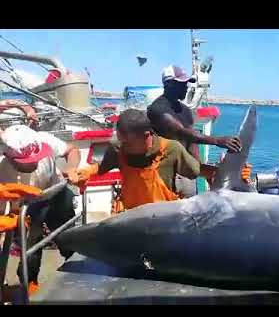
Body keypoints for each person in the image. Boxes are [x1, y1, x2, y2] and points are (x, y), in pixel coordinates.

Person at [69, 109, 252, 212]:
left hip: (164, 218)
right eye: (120, 140)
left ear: (147, 136)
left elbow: (198, 171)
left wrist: (232, 174)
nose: (123, 146)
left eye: (128, 142)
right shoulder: (118, 148)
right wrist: (85, 172)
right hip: (131, 217)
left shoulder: (170, 149)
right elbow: (101, 167)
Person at [0, 125, 80, 295]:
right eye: (27, 163)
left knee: (68, 233)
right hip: (26, 207)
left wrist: (72, 167)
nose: (33, 164)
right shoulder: (2, 169)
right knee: (30, 244)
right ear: (9, 157)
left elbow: (71, 150)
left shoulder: (44, 138)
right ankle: (29, 283)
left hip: (56, 193)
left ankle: (76, 264)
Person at [146, 65, 242, 159]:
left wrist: (195, 166)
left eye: (187, 83)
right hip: (163, 167)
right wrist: (217, 140)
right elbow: (181, 132)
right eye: (182, 83)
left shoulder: (185, 110)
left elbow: (192, 140)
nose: (186, 87)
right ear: (168, 84)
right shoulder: (157, 109)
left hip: (183, 169)